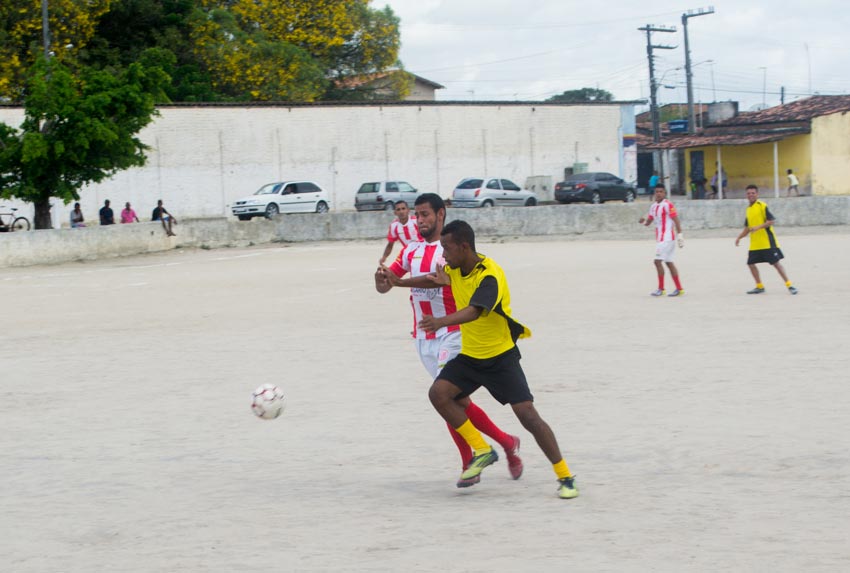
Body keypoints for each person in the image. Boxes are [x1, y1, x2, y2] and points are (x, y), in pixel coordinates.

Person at [419, 219, 578, 499]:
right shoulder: (456, 268)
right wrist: (397, 282)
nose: (443, 255)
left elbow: (475, 311)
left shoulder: (489, 274)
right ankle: (482, 449)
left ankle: (565, 475)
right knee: (439, 394)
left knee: (528, 416)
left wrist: (441, 321)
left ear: (464, 246)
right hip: (470, 356)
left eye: (446, 248)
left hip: (500, 359)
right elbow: (435, 278)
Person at [375, 194, 523, 488]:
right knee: (456, 402)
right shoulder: (409, 252)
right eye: (417, 215)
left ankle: (473, 460)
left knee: (445, 396)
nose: (421, 220)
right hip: (423, 336)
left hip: (452, 333)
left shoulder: (449, 249)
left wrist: (399, 282)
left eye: (425, 214)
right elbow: (386, 283)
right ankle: (506, 442)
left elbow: (434, 279)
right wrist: (382, 279)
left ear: (441, 214)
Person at [735, 185, 798, 295]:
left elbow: (771, 221)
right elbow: (747, 228)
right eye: (748, 193)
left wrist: (757, 227)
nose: (751, 195)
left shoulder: (762, 206)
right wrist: (739, 237)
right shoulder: (748, 210)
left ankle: (790, 285)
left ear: (757, 194)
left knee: (776, 264)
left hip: (767, 242)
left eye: (753, 193)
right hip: (755, 244)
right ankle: (759, 286)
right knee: (750, 264)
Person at [639, 184, 685, 297]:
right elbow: (649, 222)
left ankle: (661, 288)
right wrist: (643, 222)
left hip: (667, 238)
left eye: (661, 192)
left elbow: (676, 220)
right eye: (657, 191)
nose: (658, 193)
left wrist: (680, 235)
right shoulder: (653, 206)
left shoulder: (667, 205)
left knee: (657, 261)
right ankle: (679, 288)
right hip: (660, 239)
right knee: (669, 262)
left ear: (664, 193)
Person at [379, 201, 422, 265]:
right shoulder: (394, 226)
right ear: (395, 212)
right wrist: (384, 257)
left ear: (408, 210)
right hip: (409, 255)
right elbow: (390, 244)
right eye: (398, 209)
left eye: (403, 208)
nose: (401, 212)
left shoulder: (416, 221)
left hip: (423, 251)